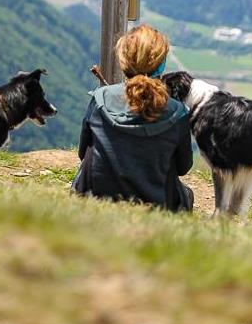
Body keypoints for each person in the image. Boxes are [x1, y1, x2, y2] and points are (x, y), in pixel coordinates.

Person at [71, 24, 194, 211]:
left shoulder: (100, 99)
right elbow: (183, 167)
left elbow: (83, 154)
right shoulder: (178, 112)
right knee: (186, 195)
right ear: (161, 64)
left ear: (124, 61)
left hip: (96, 199)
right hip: (157, 206)